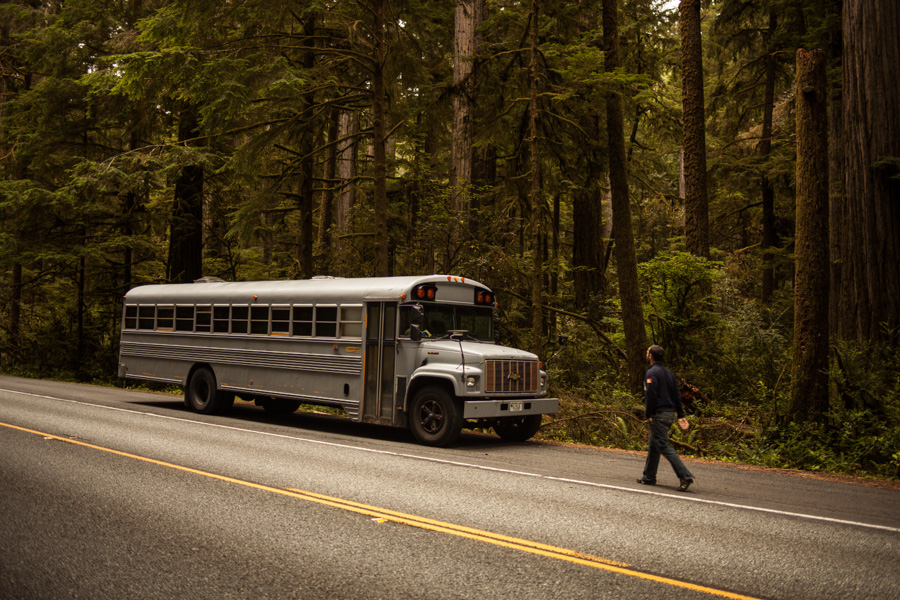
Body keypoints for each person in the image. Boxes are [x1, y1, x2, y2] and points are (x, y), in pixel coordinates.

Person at [637, 345, 695, 491]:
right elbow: (677, 395)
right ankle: (648, 477)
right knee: (654, 445)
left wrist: (648, 414)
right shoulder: (669, 373)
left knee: (663, 445)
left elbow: (651, 395)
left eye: (647, 351)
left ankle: (685, 476)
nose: (646, 354)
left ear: (650, 356)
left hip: (659, 414)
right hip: (669, 414)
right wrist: (680, 414)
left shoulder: (652, 373)